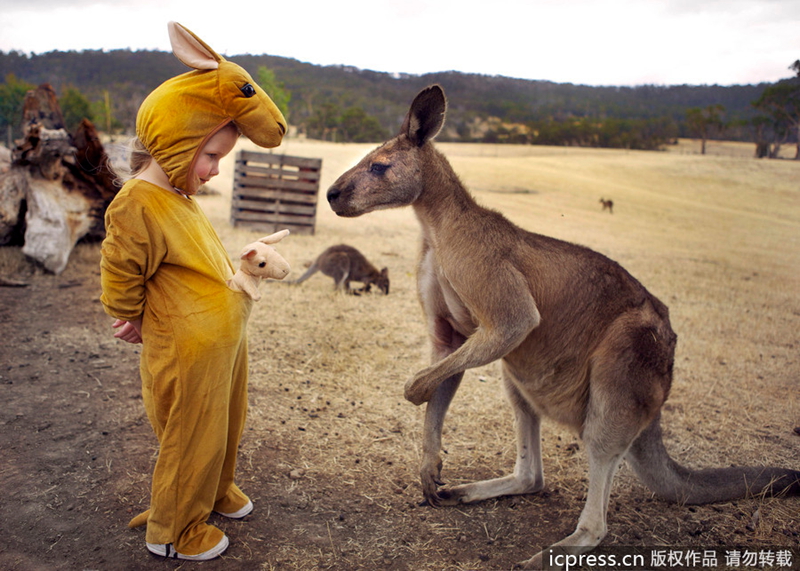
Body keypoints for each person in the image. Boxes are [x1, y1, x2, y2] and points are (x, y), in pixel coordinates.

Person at [100, 22, 287, 561]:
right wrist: (129, 316)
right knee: (190, 436)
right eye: (211, 157)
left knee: (226, 421)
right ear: (180, 142)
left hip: (223, 344)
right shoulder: (137, 201)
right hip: (187, 349)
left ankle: (214, 489)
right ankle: (175, 530)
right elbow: (121, 271)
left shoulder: (178, 196)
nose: (214, 170)